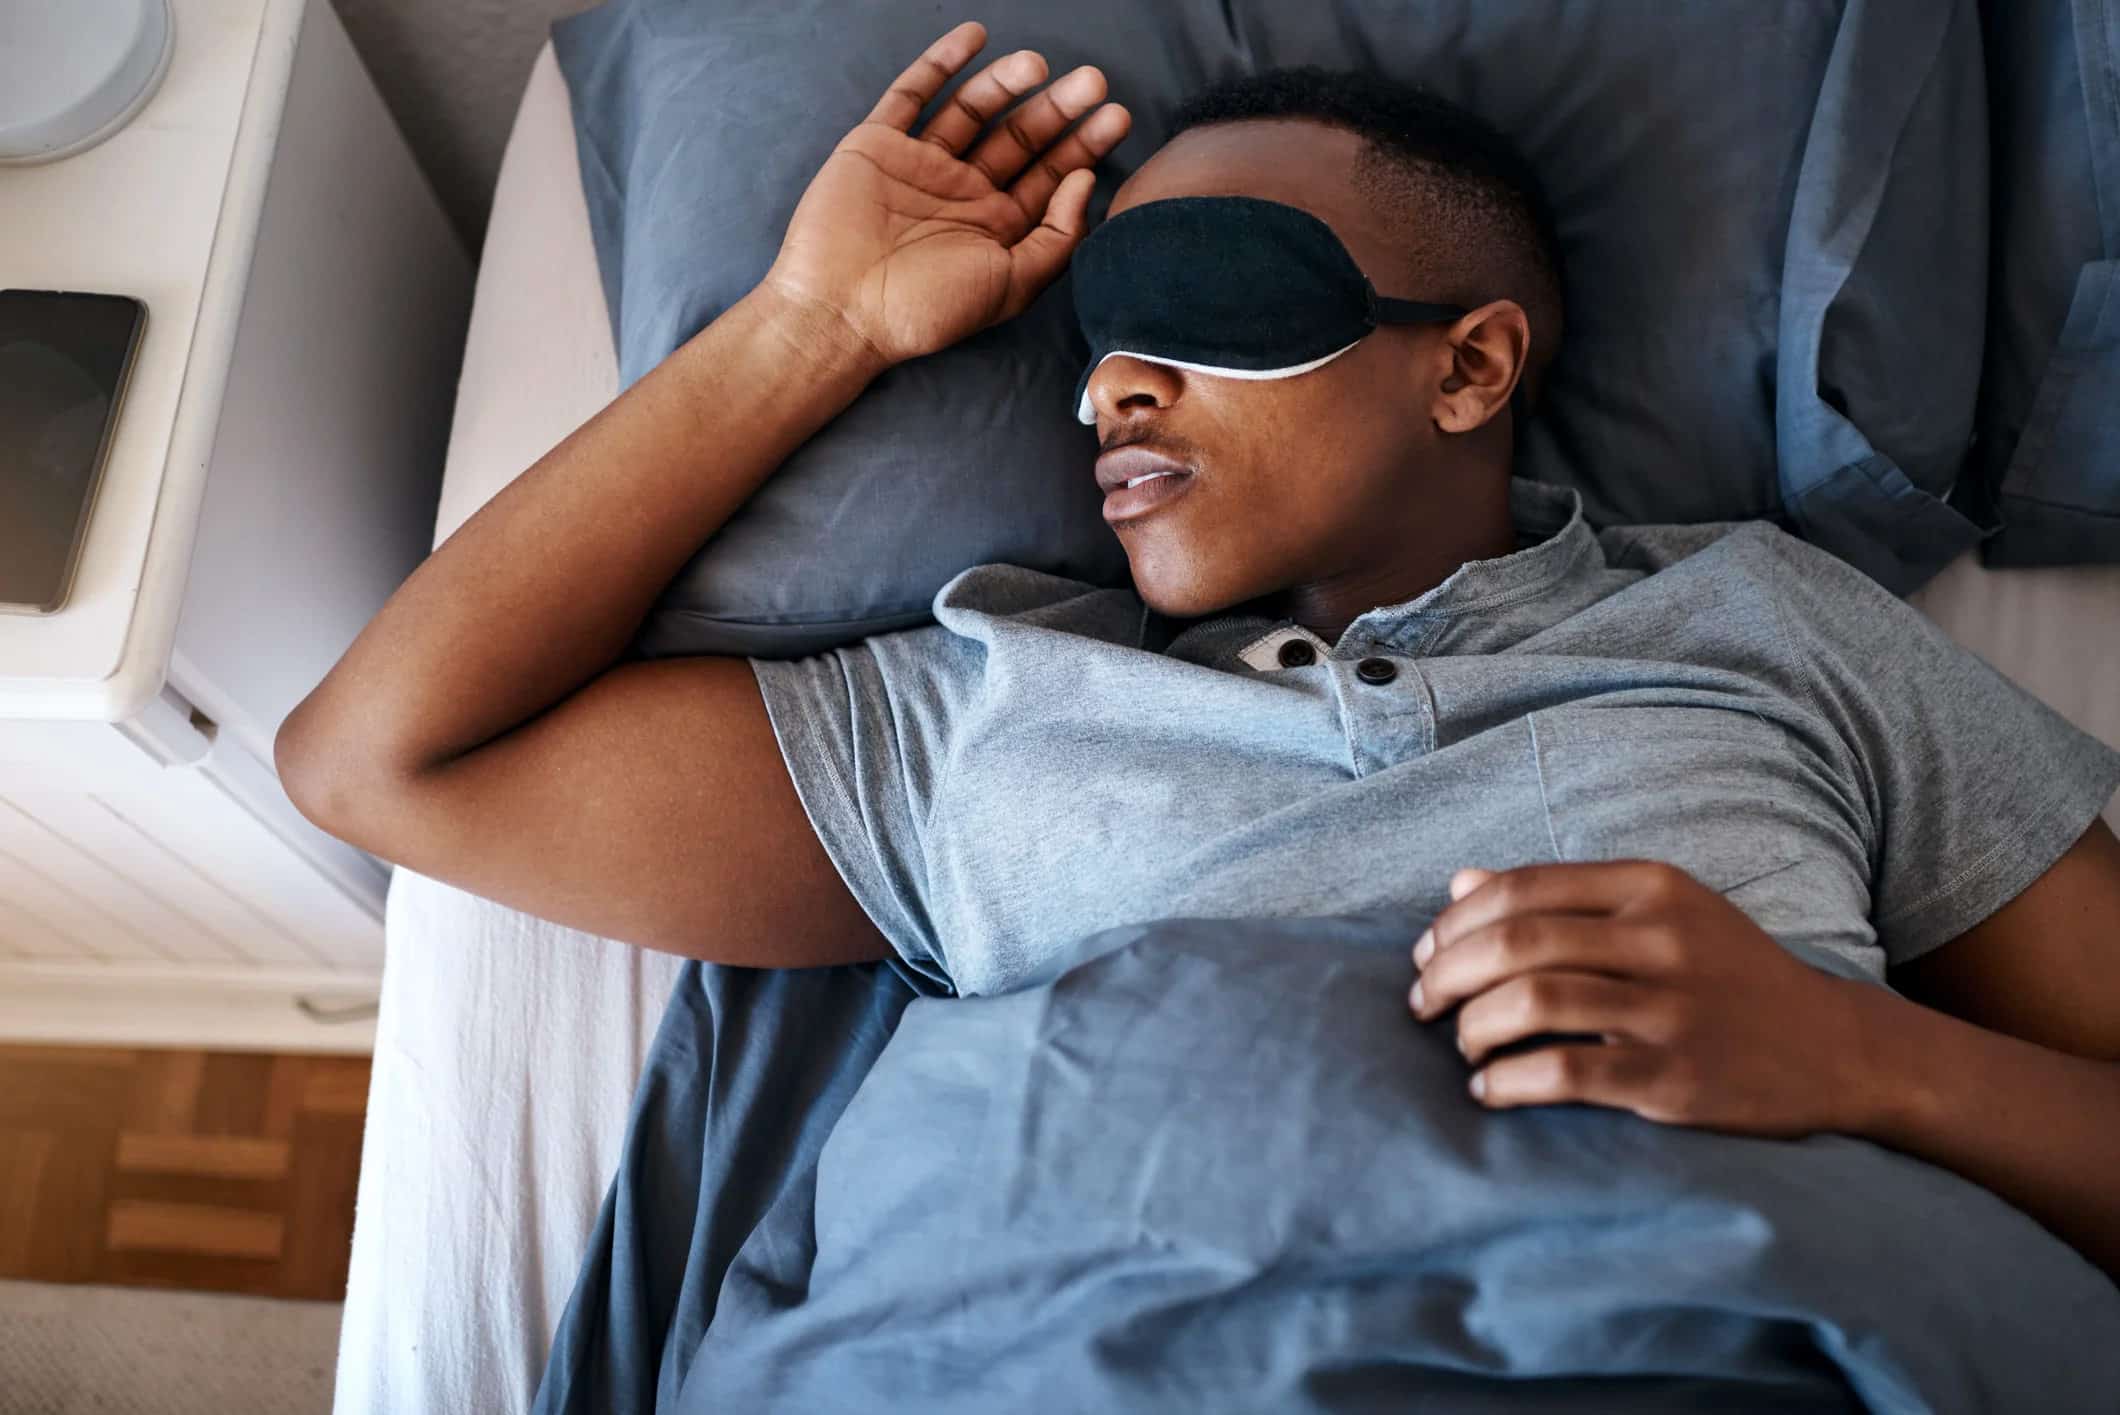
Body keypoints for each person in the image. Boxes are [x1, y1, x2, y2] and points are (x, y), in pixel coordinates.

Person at [276, 21, 2120, 1284]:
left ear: (1470, 368)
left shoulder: (1771, 626)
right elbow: (378, 763)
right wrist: (809, 326)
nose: (1113, 387)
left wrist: (1870, 1065)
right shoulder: (979, 711)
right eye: (1094, 334)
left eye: (1208, 308)